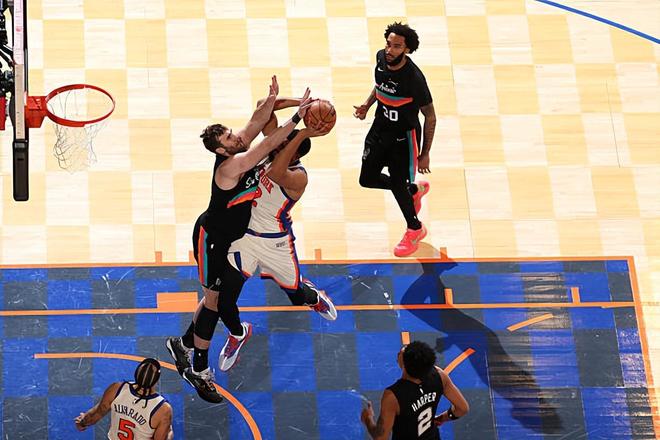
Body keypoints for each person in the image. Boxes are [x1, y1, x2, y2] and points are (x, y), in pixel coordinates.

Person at [166, 76, 314, 403]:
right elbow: (265, 146)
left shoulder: (237, 146)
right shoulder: (230, 166)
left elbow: (258, 118)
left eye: (232, 133)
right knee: (214, 301)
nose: (238, 137)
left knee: (213, 298)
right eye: (230, 138)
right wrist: (298, 120)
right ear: (222, 150)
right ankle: (199, 368)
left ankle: (183, 344)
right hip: (212, 240)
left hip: (230, 239)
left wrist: (281, 100)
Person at [353, 22, 436, 257]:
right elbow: (380, 86)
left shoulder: (414, 78)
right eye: (388, 44)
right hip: (379, 130)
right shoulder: (381, 58)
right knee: (366, 179)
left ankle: (415, 229)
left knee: (397, 184)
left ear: (407, 49)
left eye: (397, 46)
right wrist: (367, 105)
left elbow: (430, 116)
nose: (390, 50)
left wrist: (425, 153)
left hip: (403, 138)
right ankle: (412, 191)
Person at [360, 341, 469, 440]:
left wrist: (368, 420)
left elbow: (381, 438)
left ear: (405, 364)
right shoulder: (440, 375)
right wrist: (442, 418)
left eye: (403, 352)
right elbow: (462, 408)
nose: (401, 351)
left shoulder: (393, 396)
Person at [74, 358, 173, 440]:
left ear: (136, 373)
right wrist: (169, 433)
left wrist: (83, 422)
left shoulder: (116, 389)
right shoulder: (163, 409)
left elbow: (98, 412)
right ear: (157, 380)